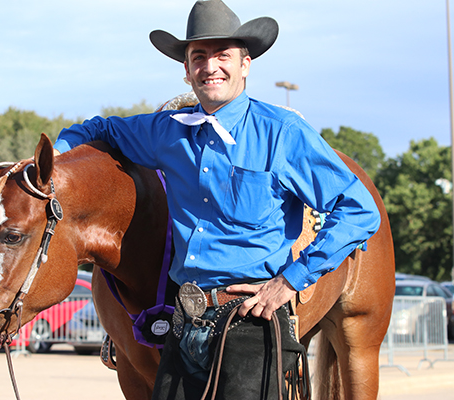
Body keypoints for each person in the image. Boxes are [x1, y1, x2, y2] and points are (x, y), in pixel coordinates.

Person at [53, 0, 380, 398]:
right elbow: (97, 128)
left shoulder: (283, 133)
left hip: (250, 323)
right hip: (183, 322)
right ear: (187, 70)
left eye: (223, 55)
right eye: (199, 56)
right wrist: (57, 156)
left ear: (245, 64)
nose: (211, 66)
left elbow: (359, 211)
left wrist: (290, 282)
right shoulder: (166, 132)